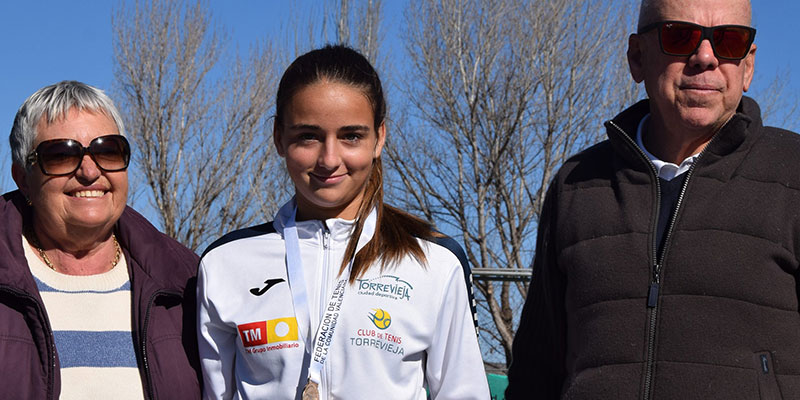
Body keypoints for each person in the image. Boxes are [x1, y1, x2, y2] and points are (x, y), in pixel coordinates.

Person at [507, 0, 800, 398]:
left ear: (747, 66)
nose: (705, 57)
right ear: (637, 56)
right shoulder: (576, 186)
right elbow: (535, 373)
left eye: (729, 40)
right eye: (680, 36)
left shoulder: (792, 176)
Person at [197, 45, 490, 399]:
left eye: (351, 136)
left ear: (379, 137)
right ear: (278, 137)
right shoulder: (225, 263)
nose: (330, 159)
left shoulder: (434, 261)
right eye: (309, 136)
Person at [1, 81, 201, 399]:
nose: (90, 171)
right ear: (23, 179)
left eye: (108, 150)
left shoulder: (186, 283)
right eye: (60, 155)